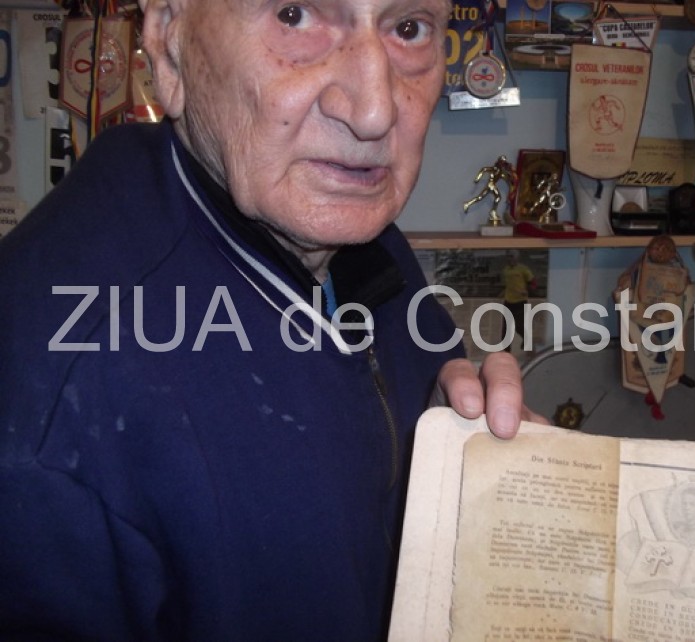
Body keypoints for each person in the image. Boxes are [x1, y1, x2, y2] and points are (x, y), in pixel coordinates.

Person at [0, 1, 546, 639]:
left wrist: (465, 462)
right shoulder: (50, 414)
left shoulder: (348, 230)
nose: (375, 111)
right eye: (293, 16)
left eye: (408, 29)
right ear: (170, 47)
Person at [500, 249, 537, 354]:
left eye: (512, 256)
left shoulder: (523, 269)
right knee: (506, 329)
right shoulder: (505, 270)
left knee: (519, 326)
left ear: (517, 258)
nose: (510, 259)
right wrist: (503, 293)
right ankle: (506, 353)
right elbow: (509, 285)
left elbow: (533, 283)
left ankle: (528, 342)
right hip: (508, 301)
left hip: (520, 302)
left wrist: (528, 290)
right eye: (508, 257)